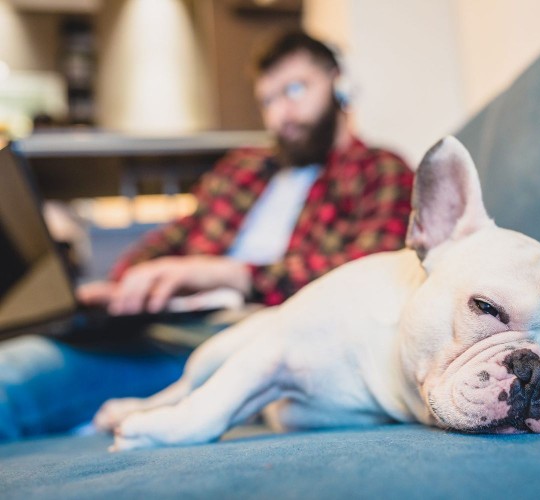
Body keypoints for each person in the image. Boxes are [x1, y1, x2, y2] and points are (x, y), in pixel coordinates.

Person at [0, 32, 414, 441]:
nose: (279, 116)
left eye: (294, 90)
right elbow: (170, 239)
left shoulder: (381, 171)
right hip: (168, 324)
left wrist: (229, 274)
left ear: (339, 83)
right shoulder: (242, 168)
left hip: (252, 337)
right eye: (267, 101)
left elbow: (370, 272)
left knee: (17, 374)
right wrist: (122, 287)